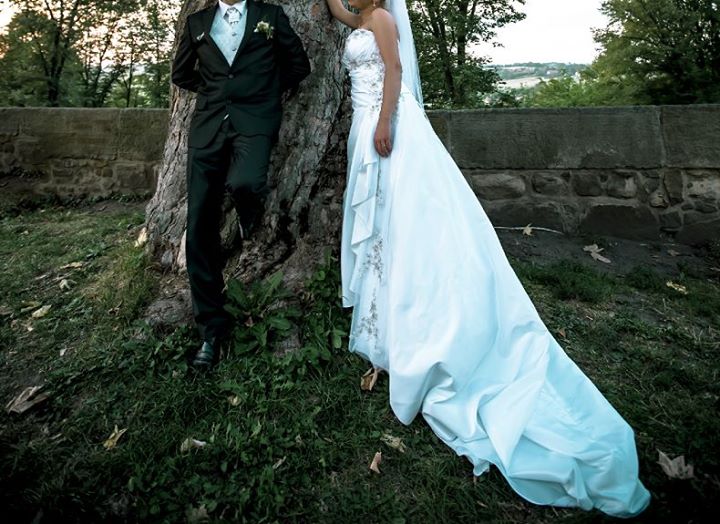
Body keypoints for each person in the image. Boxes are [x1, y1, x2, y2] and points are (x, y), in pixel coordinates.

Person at [324, 0, 651, 517]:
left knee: (409, 225)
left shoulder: (382, 19)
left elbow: (395, 70)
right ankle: (384, 316)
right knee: (383, 225)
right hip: (362, 128)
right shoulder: (359, 17)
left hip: (387, 126)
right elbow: (339, 12)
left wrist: (384, 122)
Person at [171, 0, 311, 369]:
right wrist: (215, 90)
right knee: (199, 226)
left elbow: (299, 65)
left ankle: (250, 216)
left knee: (246, 182)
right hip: (208, 127)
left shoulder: (270, 16)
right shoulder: (197, 23)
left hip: (255, 121)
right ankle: (210, 330)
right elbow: (181, 73)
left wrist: (263, 91)